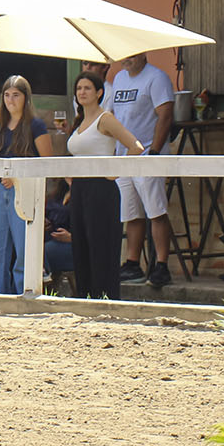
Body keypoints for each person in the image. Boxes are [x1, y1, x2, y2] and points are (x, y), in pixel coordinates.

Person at [64, 70, 146, 299]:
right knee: (80, 245)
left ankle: (106, 296)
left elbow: (136, 146)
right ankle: (85, 295)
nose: (82, 92)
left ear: (99, 92)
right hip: (80, 189)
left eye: (87, 88)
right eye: (79, 88)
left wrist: (116, 172)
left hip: (101, 189)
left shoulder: (105, 118)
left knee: (101, 244)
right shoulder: (79, 121)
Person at [108, 53, 176, 289]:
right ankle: (132, 263)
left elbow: (165, 115)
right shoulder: (118, 79)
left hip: (148, 153)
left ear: (143, 53)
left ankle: (161, 264)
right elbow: (114, 117)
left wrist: (155, 152)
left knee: (156, 210)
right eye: (122, 55)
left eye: (131, 55)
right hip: (124, 156)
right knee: (131, 212)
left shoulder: (157, 78)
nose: (125, 59)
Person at [0, 75, 53, 294]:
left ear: (25, 98)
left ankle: (25, 291)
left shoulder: (35, 125)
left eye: (16, 95)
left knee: (24, 248)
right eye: (7, 95)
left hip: (24, 192)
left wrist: (18, 177)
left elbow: (47, 162)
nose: (10, 100)